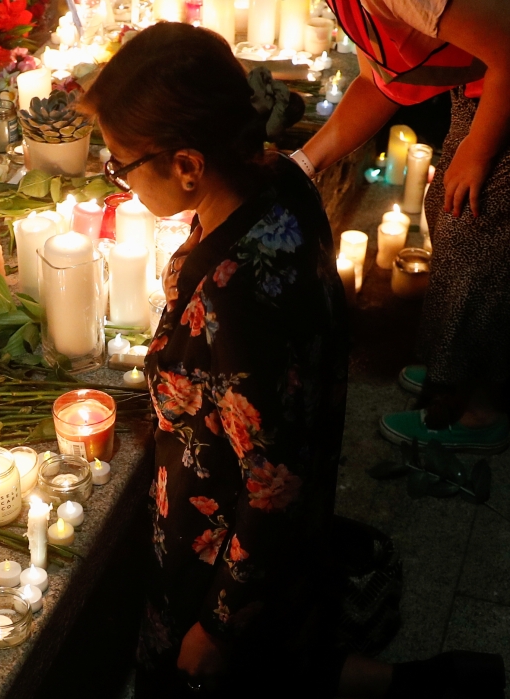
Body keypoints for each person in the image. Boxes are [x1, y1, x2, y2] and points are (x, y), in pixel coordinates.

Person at [81, 22, 504, 698]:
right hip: (274, 551)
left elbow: (274, 485)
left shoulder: (235, 297)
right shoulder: (275, 182)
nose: (122, 182)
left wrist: (217, 626)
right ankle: (440, 684)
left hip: (222, 554)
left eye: (121, 166)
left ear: (188, 165)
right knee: (290, 662)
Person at [295, 0, 510, 453]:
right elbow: (378, 85)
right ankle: (458, 367)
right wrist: (301, 164)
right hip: (485, 88)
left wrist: (480, 150)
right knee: (451, 217)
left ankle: (477, 410)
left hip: (502, 89)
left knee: (476, 226)